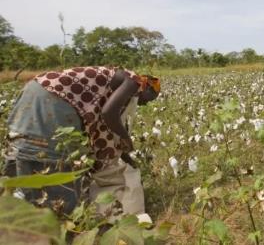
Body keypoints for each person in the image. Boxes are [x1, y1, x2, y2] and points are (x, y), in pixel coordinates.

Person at [4, 66, 160, 214]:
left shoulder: (117, 82)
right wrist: (127, 140)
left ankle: (15, 209)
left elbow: (111, 127)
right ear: (147, 87)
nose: (145, 103)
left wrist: (127, 155)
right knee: (57, 164)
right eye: (150, 98)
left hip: (34, 90)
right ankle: (50, 222)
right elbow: (108, 115)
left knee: (23, 149)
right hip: (54, 100)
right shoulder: (133, 82)